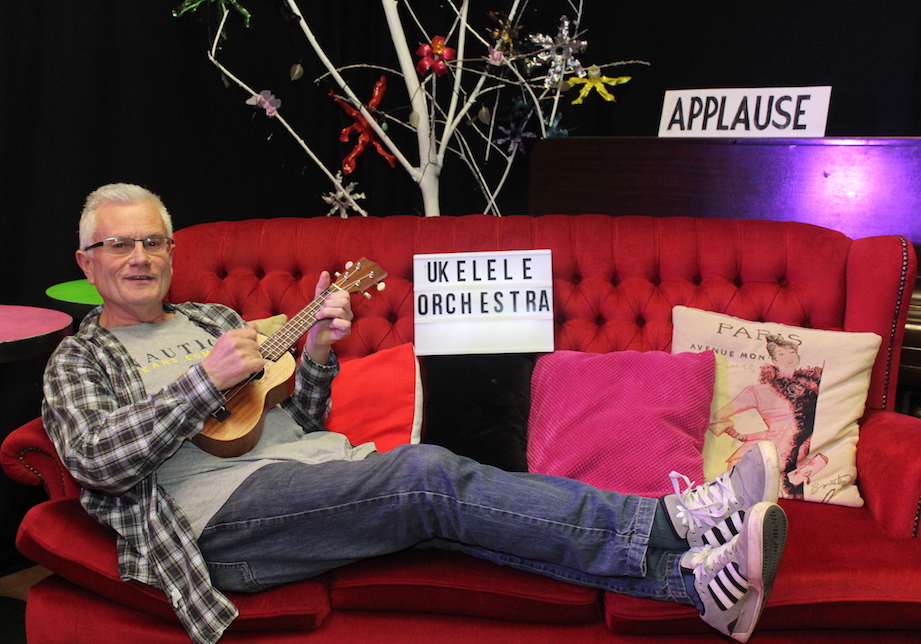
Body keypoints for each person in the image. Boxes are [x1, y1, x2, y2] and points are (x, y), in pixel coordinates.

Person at [42, 183, 788, 644]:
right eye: (118, 244)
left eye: (153, 241)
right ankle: (671, 521)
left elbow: (293, 417)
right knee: (428, 475)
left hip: (314, 476)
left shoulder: (215, 317)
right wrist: (200, 384)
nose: (139, 255)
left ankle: (691, 585)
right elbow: (97, 461)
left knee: (443, 505)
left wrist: (323, 352)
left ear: (170, 251)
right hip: (217, 526)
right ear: (86, 261)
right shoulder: (79, 361)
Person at [710, 334, 824, 498]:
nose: (788, 357)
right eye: (781, 353)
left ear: (798, 356)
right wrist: (739, 434)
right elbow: (717, 416)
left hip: (796, 461)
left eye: (791, 351)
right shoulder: (758, 391)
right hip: (759, 458)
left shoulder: (814, 389)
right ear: (774, 359)